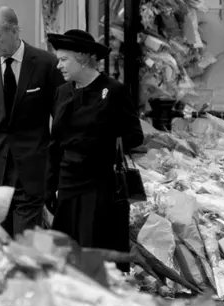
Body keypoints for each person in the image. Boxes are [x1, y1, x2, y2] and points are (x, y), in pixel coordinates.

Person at [0, 6, 64, 236]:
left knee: (24, 242)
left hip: (32, 172)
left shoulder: (46, 64)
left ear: (14, 31)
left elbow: (61, 121)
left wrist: (56, 169)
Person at [45, 29, 144, 261]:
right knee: (65, 255)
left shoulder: (114, 91)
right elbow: (54, 144)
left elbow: (135, 136)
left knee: (96, 253)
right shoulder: (62, 92)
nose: (58, 65)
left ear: (83, 57)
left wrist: (99, 141)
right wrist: (49, 186)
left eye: (63, 59)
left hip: (101, 187)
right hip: (68, 184)